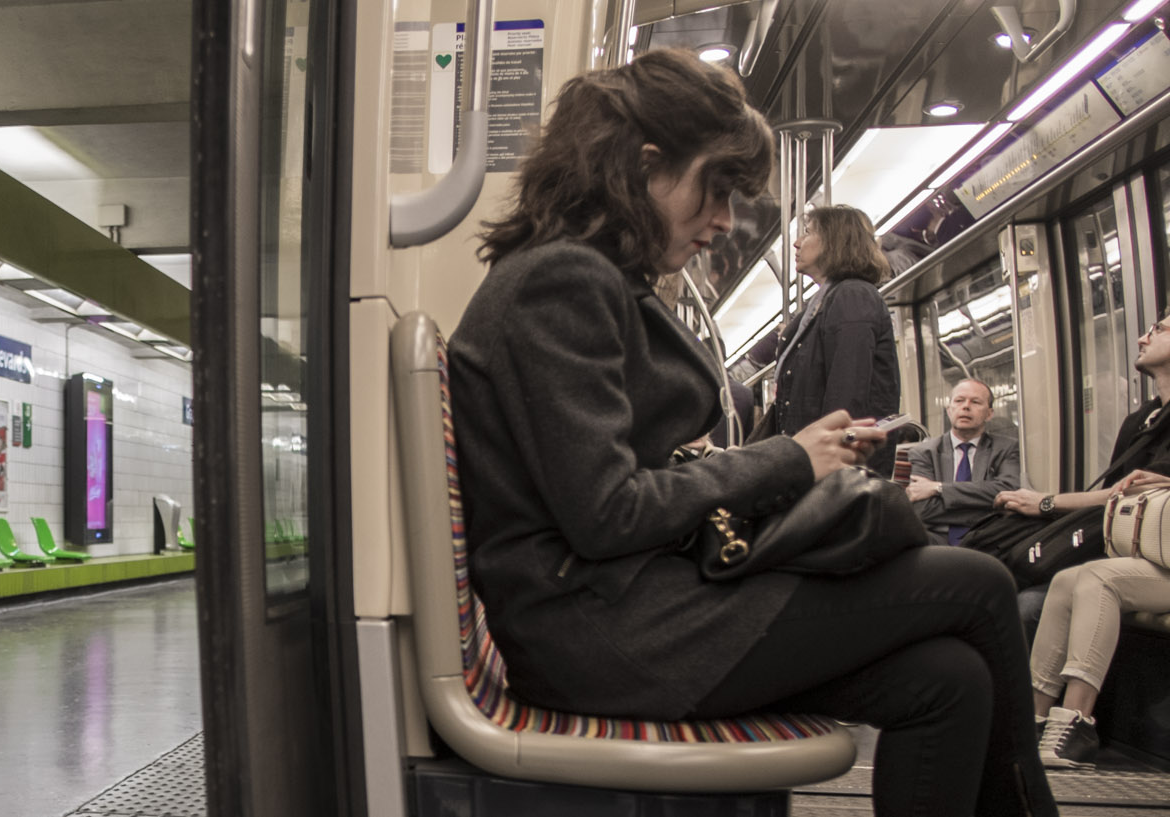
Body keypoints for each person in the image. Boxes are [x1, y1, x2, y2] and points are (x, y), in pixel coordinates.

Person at [449, 49, 1056, 815]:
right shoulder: (561, 282)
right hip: (606, 630)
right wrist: (786, 459)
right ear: (643, 165)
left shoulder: (585, 276)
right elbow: (607, 512)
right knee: (978, 581)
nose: (726, 220)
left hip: (629, 607)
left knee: (949, 680)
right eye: (718, 188)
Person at [999, 314, 1170, 769]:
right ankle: (1033, 721)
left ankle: (1076, 722)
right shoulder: (1143, 419)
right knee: (1066, 581)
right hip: (1146, 555)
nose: (1143, 336)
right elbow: (1119, 490)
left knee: (1097, 578)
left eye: (1161, 329)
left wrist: (1048, 502)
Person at [758, 205, 902, 475]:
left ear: (834, 241)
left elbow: (847, 395)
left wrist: (829, 464)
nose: (797, 243)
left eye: (808, 233)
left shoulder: (853, 296)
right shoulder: (825, 301)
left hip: (835, 471)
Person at [909, 378, 1022, 546]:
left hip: (990, 538)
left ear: (989, 413)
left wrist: (939, 488)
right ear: (949, 410)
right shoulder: (924, 452)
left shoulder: (1006, 448)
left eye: (975, 402)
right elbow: (921, 509)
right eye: (959, 400)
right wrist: (988, 507)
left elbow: (1007, 490)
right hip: (936, 541)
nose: (966, 406)